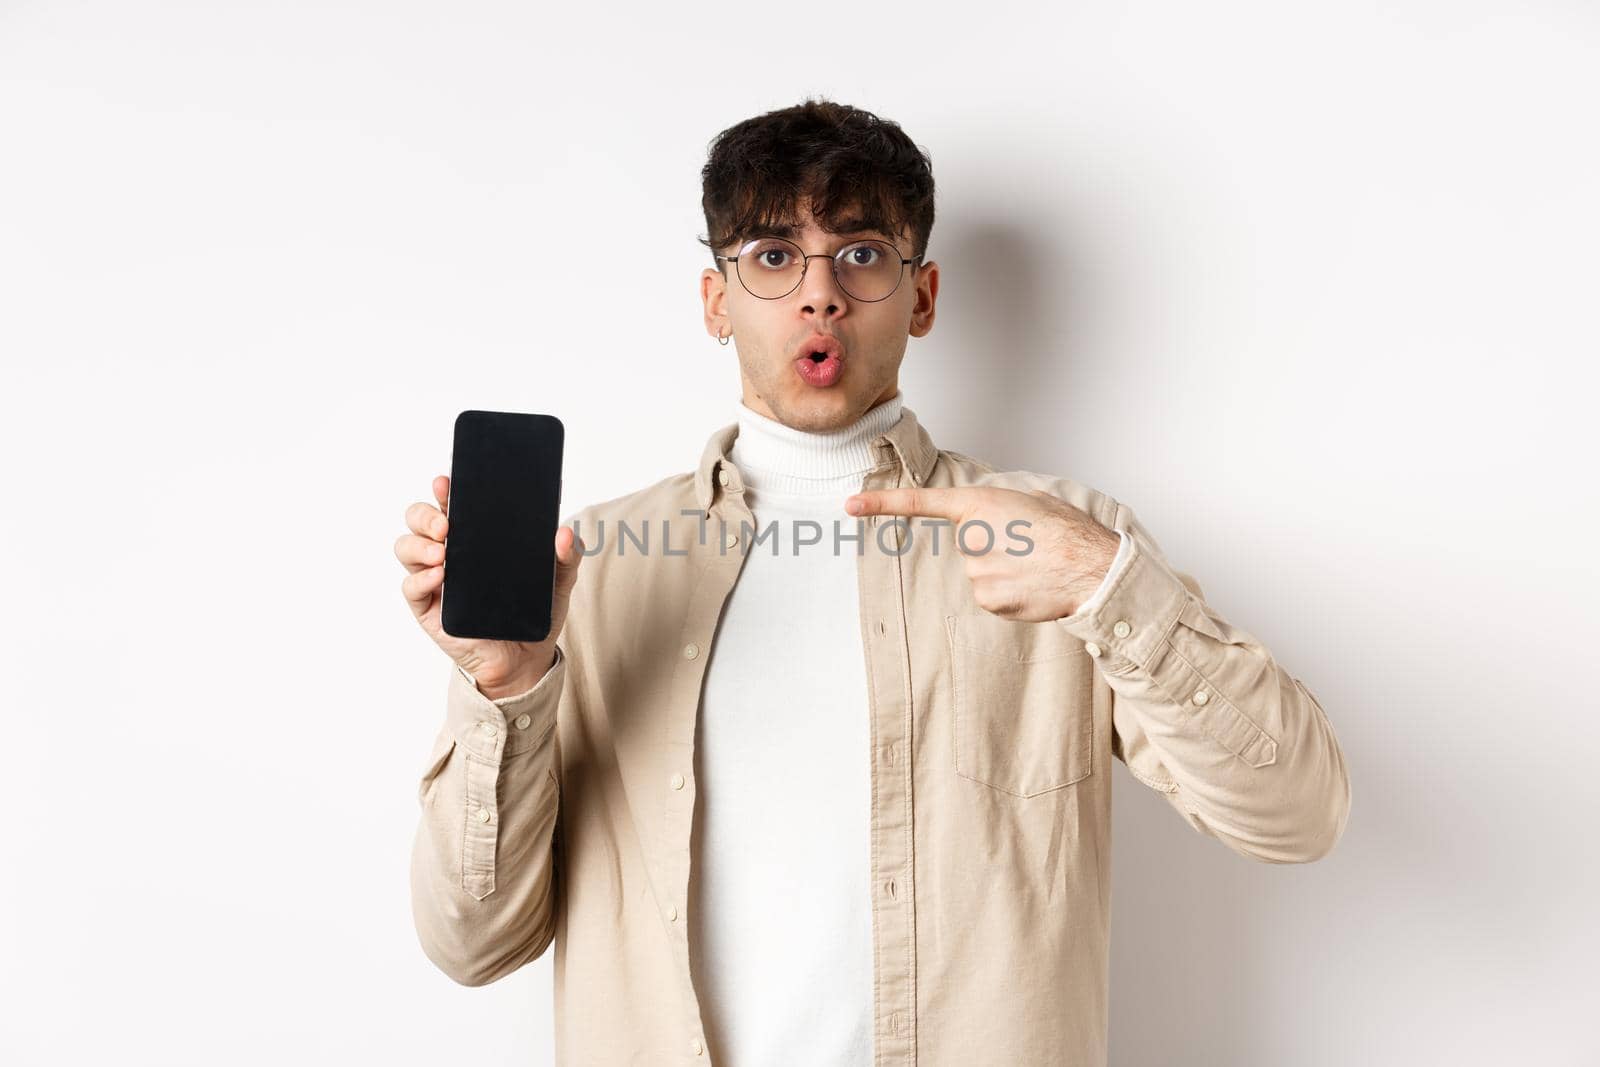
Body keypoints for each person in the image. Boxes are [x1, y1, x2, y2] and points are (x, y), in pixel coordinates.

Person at [394, 97, 1351, 1066]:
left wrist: (1109, 583)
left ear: (922, 295)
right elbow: (472, 944)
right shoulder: (591, 565)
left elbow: (1298, 814)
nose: (820, 296)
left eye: (859, 253)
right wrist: (507, 689)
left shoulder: (1056, 534)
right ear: (715, 301)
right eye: (772, 255)